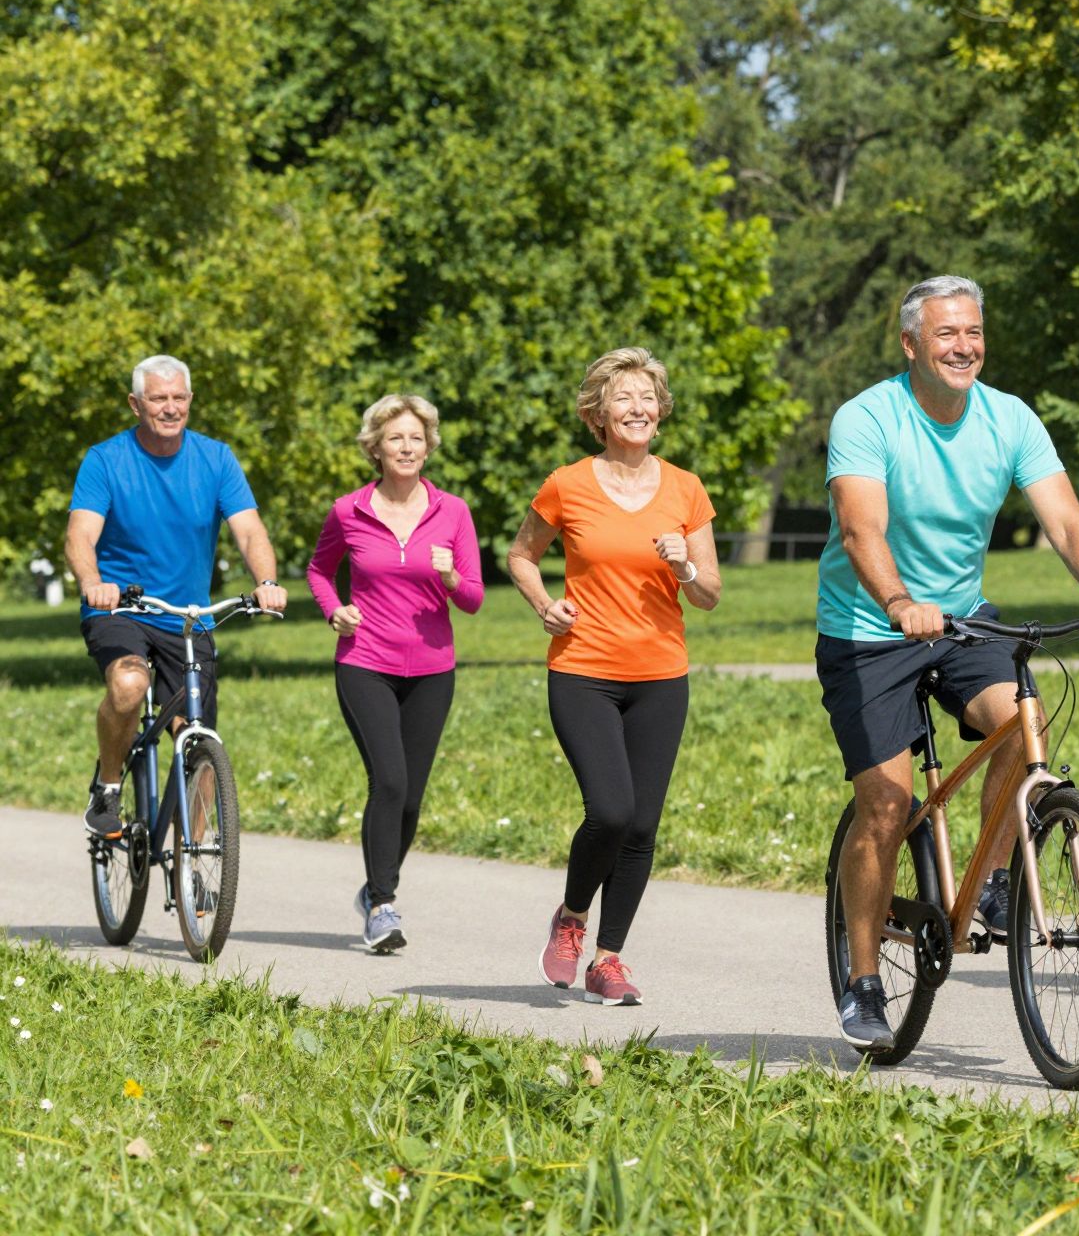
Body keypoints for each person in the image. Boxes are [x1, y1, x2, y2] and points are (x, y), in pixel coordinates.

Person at [818, 275, 1079, 1052]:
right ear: (911, 345)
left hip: (961, 623)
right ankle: (865, 980)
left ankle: (996, 881)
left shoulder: (1010, 417)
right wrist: (900, 602)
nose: (964, 346)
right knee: (887, 807)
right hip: (871, 628)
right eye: (946, 334)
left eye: (973, 332)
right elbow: (862, 529)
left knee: (1021, 719)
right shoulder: (867, 417)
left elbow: (1066, 520)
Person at [507, 348, 721, 1007]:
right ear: (598, 413)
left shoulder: (686, 489)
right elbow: (520, 555)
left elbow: (710, 593)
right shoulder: (567, 484)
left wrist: (685, 565)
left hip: (661, 674)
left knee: (643, 825)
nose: (637, 408)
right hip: (584, 669)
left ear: (660, 412)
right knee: (611, 809)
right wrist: (545, 604)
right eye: (622, 398)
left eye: (647, 397)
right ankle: (572, 916)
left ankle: (608, 959)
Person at [66, 356, 289, 838]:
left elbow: (249, 532)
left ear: (190, 400)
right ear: (135, 403)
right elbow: (80, 537)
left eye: (178, 398)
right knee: (128, 685)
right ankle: (107, 786)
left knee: (197, 737)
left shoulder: (216, 458)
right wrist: (91, 582)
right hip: (120, 605)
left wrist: (266, 582)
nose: (170, 408)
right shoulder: (106, 459)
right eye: (158, 398)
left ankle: (203, 862)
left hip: (188, 617)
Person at [307, 394, 483, 953]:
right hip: (365, 662)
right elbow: (318, 570)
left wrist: (452, 577)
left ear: (428, 446)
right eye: (395, 439)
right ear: (376, 449)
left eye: (415, 438)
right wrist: (334, 609)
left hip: (433, 668)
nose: (406, 447)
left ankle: (375, 886)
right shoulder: (348, 510)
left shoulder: (452, 512)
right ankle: (382, 905)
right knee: (389, 781)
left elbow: (475, 599)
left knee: (411, 797)